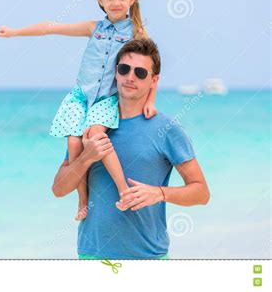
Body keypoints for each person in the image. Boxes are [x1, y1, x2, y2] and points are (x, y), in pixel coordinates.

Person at [0, 0, 157, 220]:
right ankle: (83, 198)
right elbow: (50, 28)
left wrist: (150, 101)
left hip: (106, 98)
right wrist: (14, 32)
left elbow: (153, 68)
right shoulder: (93, 27)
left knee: (94, 137)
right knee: (73, 142)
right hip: (81, 96)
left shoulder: (136, 33)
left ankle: (124, 189)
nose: (116, 3)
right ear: (100, 1)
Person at [52, 38, 210, 259]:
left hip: (148, 258)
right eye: (124, 69)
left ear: (154, 80)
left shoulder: (167, 129)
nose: (130, 77)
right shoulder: (90, 125)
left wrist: (159, 193)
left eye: (140, 73)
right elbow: (59, 189)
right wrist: (86, 157)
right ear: (115, 72)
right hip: (92, 255)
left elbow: (201, 193)